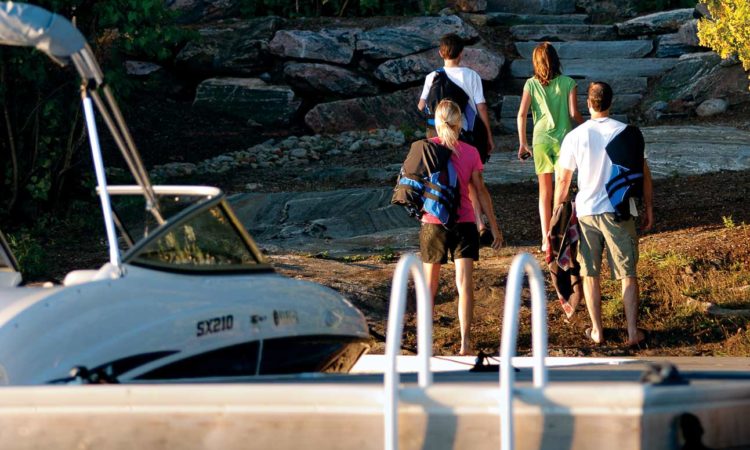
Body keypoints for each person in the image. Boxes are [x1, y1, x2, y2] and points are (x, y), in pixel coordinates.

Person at [554, 81, 654, 346]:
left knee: (590, 273)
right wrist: (649, 207)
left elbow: (563, 181)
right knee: (627, 274)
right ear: (611, 103)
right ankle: (633, 332)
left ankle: (597, 331)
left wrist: (556, 214)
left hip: (586, 212)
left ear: (588, 104)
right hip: (618, 211)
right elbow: (644, 173)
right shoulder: (628, 133)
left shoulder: (575, 136)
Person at [420, 99, 503, 356]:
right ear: (459, 123)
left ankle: (425, 343)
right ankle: (465, 343)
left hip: (432, 222)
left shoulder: (426, 149)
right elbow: (481, 191)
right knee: (464, 284)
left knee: (428, 286)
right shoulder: (470, 152)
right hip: (465, 222)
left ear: (436, 120)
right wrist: (494, 226)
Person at [418, 32, 495, 245]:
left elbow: (421, 106)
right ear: (461, 53)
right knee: (470, 180)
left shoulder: (432, 76)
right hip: (465, 134)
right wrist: (488, 134)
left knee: (440, 177)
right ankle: (478, 224)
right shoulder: (471, 76)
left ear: (440, 53)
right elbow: (481, 107)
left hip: (437, 134)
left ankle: (440, 219)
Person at [517, 42, 583, 252]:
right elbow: (573, 114)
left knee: (544, 190)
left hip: (540, 140)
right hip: (564, 139)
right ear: (556, 60)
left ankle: (546, 238)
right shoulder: (569, 82)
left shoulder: (530, 84)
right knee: (562, 187)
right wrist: (588, 125)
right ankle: (558, 233)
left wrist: (522, 143)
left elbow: (521, 114)